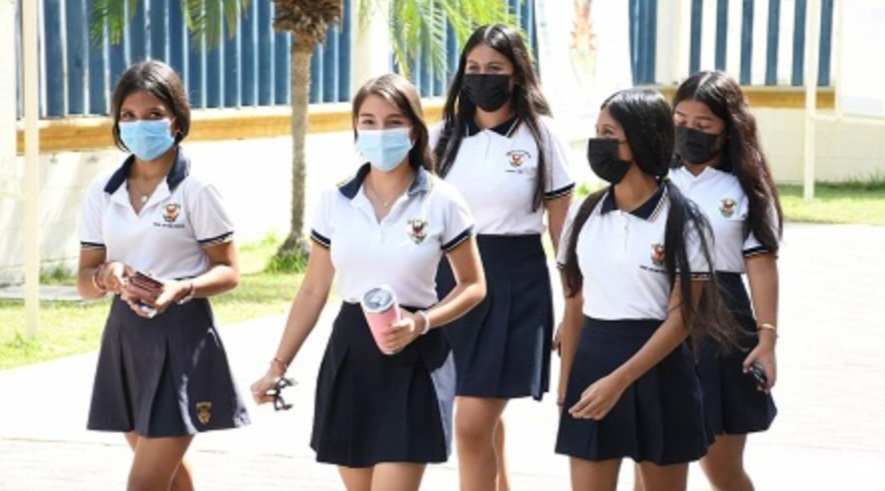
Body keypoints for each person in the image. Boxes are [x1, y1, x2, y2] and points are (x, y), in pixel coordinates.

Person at [250, 74, 486, 491]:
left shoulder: (442, 199)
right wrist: (277, 366)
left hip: (414, 353)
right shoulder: (335, 200)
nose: (380, 132)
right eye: (369, 121)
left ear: (414, 129)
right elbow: (313, 291)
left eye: (394, 122)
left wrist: (421, 323)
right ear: (356, 128)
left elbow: (473, 284)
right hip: (352, 354)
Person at [76, 60, 248, 491]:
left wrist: (182, 288)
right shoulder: (102, 191)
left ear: (176, 119)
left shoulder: (197, 189)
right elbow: (84, 280)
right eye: (129, 115)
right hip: (125, 337)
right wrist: (105, 276)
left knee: (145, 483)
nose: (140, 125)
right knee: (168, 479)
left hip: (183, 336)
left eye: (154, 114)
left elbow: (229, 271)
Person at [555, 88, 735, 491]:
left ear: (640, 139)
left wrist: (619, 380)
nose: (598, 144)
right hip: (593, 360)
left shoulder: (685, 220)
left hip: (659, 366)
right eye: (596, 132)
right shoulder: (584, 214)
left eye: (608, 134)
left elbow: (682, 318)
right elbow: (573, 303)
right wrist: (566, 384)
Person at [431, 24, 574, 491]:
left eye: (494, 68)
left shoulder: (542, 135)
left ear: (517, 75)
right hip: (451, 284)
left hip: (515, 284)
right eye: (473, 68)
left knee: (471, 421)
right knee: (478, 412)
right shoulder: (443, 135)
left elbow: (563, 233)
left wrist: (575, 307)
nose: (482, 77)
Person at [669, 70, 781, 491]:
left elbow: (762, 265)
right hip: (655, 308)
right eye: (680, 121)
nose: (689, 132)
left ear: (729, 128)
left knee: (721, 467)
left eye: (703, 124)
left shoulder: (747, 189)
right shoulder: (652, 178)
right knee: (652, 462)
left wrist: (766, 339)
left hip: (722, 323)